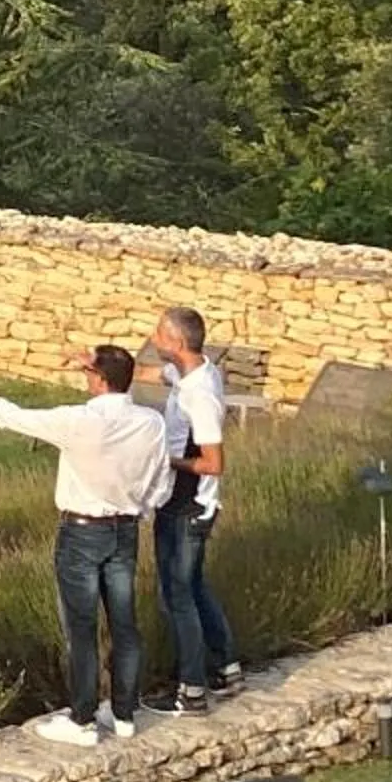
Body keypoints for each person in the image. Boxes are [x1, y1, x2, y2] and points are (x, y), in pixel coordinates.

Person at [0, 345, 172, 747]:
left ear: (98, 378)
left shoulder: (80, 420)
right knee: (124, 624)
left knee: (81, 626)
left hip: (82, 532)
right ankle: (124, 713)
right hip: (125, 529)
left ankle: (83, 718)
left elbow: (21, 419)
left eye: (89, 373)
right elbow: (162, 479)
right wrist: (141, 510)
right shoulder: (151, 423)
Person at [151, 305, 244, 714]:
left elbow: (214, 462)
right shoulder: (195, 371)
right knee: (194, 585)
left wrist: (162, 459)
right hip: (185, 503)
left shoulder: (199, 396)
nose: (153, 340)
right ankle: (226, 667)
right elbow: (156, 375)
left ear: (176, 342)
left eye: (158, 334)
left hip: (188, 506)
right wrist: (99, 365)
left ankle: (191, 690)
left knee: (177, 594)